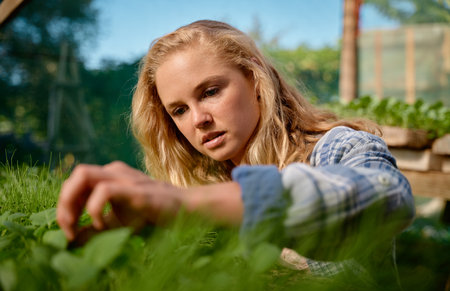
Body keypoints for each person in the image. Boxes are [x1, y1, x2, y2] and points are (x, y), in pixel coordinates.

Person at [57, 20, 415, 277]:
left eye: (210, 91)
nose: (198, 119)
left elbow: (389, 197)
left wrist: (185, 205)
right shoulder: (204, 180)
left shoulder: (338, 148)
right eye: (179, 110)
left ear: (255, 80)